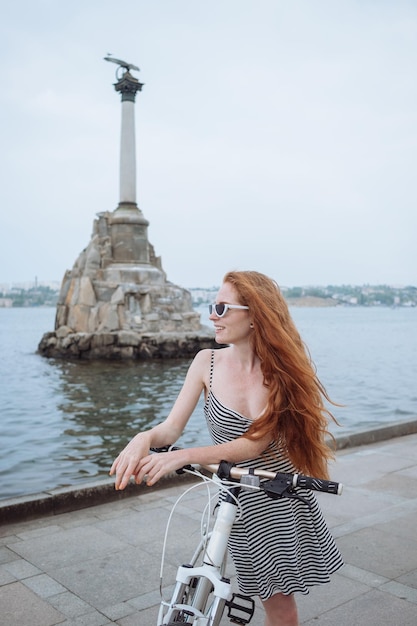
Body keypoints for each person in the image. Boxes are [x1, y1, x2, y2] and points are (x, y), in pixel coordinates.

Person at [110, 270, 344, 626]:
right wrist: (142, 439)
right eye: (212, 306)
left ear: (254, 314)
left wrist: (184, 455)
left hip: (276, 493)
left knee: (280, 608)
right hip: (234, 495)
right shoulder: (207, 361)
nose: (211, 315)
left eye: (221, 307)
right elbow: (171, 427)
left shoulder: (281, 372)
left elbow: (254, 444)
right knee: (203, 586)